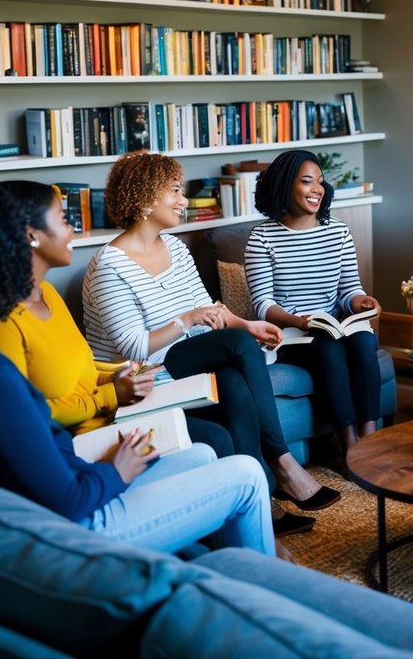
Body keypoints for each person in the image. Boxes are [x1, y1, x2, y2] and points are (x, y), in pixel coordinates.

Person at [0, 179, 278, 558]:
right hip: (73, 528)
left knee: (203, 456)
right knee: (244, 475)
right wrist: (118, 469)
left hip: (64, 488)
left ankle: (221, 567)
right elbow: (68, 500)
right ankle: (264, 592)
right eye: (5, 240)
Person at [0, 180, 314, 537]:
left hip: (124, 396)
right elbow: (29, 412)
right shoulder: (5, 319)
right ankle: (272, 480)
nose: (71, 229)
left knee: (233, 384)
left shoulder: (48, 293)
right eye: (63, 219)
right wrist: (114, 391)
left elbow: (87, 364)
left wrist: (121, 374)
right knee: (220, 422)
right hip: (94, 425)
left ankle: (262, 511)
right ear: (31, 234)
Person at [82, 151, 340, 514]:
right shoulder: (109, 265)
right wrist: (188, 320)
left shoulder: (175, 247)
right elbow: (135, 346)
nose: (183, 201)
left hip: (184, 360)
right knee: (234, 346)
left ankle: (260, 496)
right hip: (141, 376)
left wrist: (247, 325)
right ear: (145, 195)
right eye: (174, 191)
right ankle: (281, 461)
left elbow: (209, 308)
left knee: (233, 378)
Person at [246, 150, 382, 464]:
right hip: (295, 334)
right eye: (307, 182)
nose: (317, 189)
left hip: (334, 324)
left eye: (320, 182)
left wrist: (361, 302)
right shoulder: (262, 238)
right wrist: (298, 319)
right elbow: (263, 304)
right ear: (284, 185)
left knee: (363, 341)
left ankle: (371, 441)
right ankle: (349, 448)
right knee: (329, 348)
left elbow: (350, 290)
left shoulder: (338, 231)